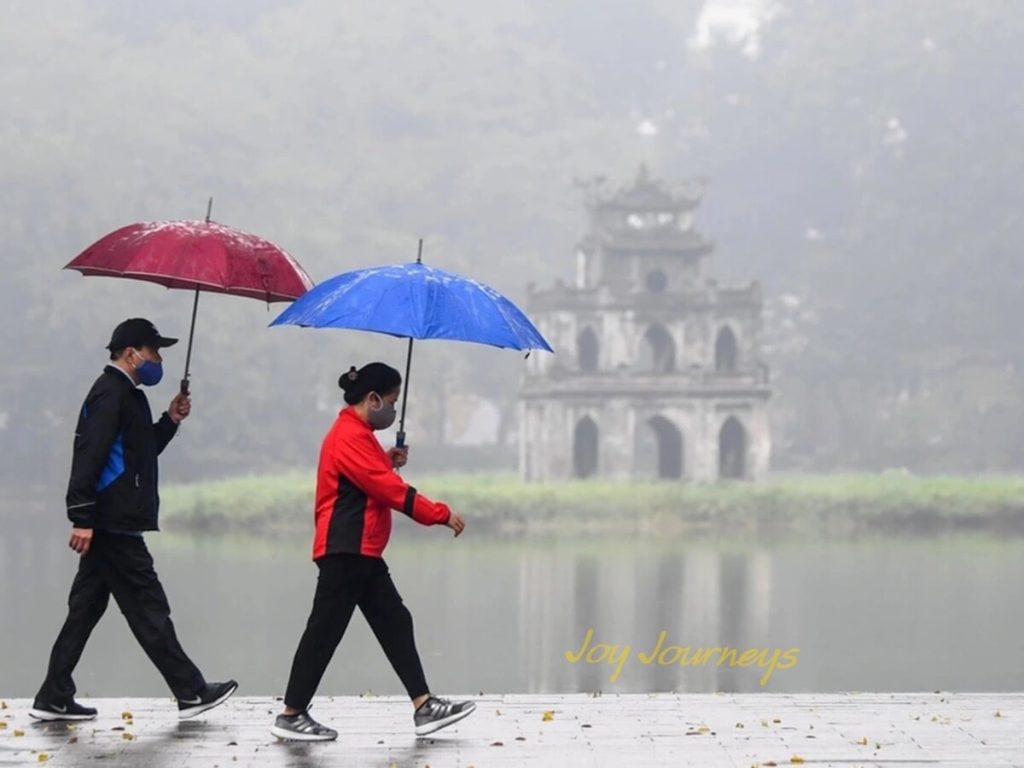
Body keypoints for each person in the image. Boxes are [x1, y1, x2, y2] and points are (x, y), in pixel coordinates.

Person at [30, 318, 237, 722]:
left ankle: (53, 695)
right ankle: (191, 691)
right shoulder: (110, 393)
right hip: (112, 525)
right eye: (155, 352)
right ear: (131, 354)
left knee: (85, 610)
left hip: (114, 521)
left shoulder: (129, 395)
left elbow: (140, 456)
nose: (159, 360)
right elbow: (88, 455)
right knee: (149, 607)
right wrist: (82, 516)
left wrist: (170, 421)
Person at [271, 362, 475, 742]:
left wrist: (386, 459)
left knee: (395, 621)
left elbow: (369, 476)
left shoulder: (358, 435)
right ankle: (291, 713)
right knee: (324, 631)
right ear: (373, 398)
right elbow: (388, 490)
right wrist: (440, 514)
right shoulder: (348, 435)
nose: (393, 409)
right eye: (392, 401)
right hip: (345, 550)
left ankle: (423, 704)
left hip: (360, 551)